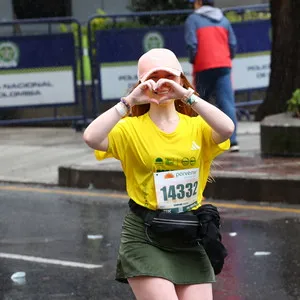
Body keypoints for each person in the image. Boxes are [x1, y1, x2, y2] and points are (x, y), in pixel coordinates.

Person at [83, 48, 234, 300]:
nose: (161, 84)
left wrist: (187, 96)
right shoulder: (129, 129)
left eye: (169, 77)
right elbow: (91, 137)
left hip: (188, 233)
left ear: (181, 80)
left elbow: (227, 128)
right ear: (142, 84)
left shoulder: (197, 127)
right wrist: (128, 102)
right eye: (153, 78)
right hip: (145, 234)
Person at [185, 0, 239, 152]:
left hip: (203, 65)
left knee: (198, 103)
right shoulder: (224, 20)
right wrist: (226, 57)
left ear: (199, 3)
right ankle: (232, 141)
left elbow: (191, 43)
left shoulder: (193, 19)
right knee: (227, 103)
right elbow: (233, 44)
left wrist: (194, 59)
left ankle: (198, 141)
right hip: (223, 65)